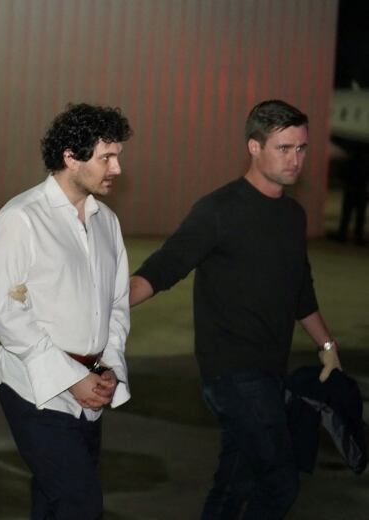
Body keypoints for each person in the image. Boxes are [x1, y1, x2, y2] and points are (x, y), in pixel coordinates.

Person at [129, 99, 344, 519]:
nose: (295, 159)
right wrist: (102, 304)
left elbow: (302, 289)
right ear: (253, 147)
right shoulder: (218, 210)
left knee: (236, 480)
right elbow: (164, 267)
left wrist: (328, 346)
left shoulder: (293, 216)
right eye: (284, 148)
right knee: (280, 480)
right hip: (230, 372)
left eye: (301, 148)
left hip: (270, 368)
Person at [0, 103, 132, 519]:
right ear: (71, 156)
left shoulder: (107, 222)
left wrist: (109, 369)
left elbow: (116, 305)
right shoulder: (21, 218)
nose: (116, 168)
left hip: (92, 389)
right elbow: (7, 314)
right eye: (106, 156)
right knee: (81, 505)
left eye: (117, 156)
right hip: (37, 390)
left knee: (53, 505)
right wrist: (73, 378)